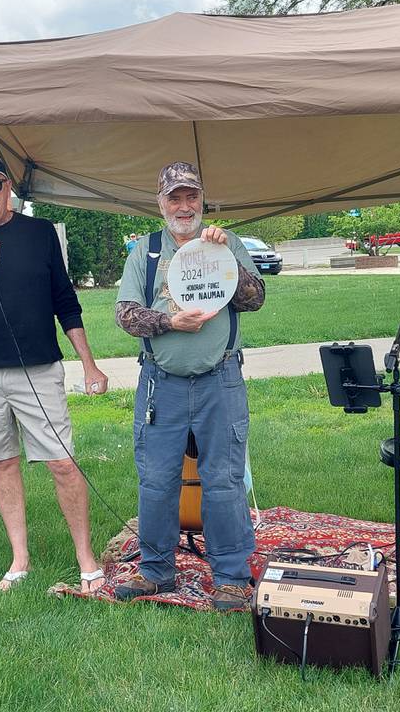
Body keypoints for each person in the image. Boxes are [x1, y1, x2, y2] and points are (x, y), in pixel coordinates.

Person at [0, 152, 109, 592]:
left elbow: (65, 301)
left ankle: (86, 558)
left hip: (39, 367)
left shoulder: (39, 233)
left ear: (8, 186)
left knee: (63, 463)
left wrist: (88, 362)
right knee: (4, 464)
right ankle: (20, 558)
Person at [113, 161, 265, 610]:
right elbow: (125, 315)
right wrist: (168, 321)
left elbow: (254, 299)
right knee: (157, 480)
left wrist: (227, 260)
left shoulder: (226, 243)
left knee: (224, 480)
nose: (184, 206)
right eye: (174, 198)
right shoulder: (147, 251)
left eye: (191, 197)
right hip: (162, 384)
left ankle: (232, 578)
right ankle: (156, 572)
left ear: (202, 200)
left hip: (221, 379)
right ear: (161, 203)